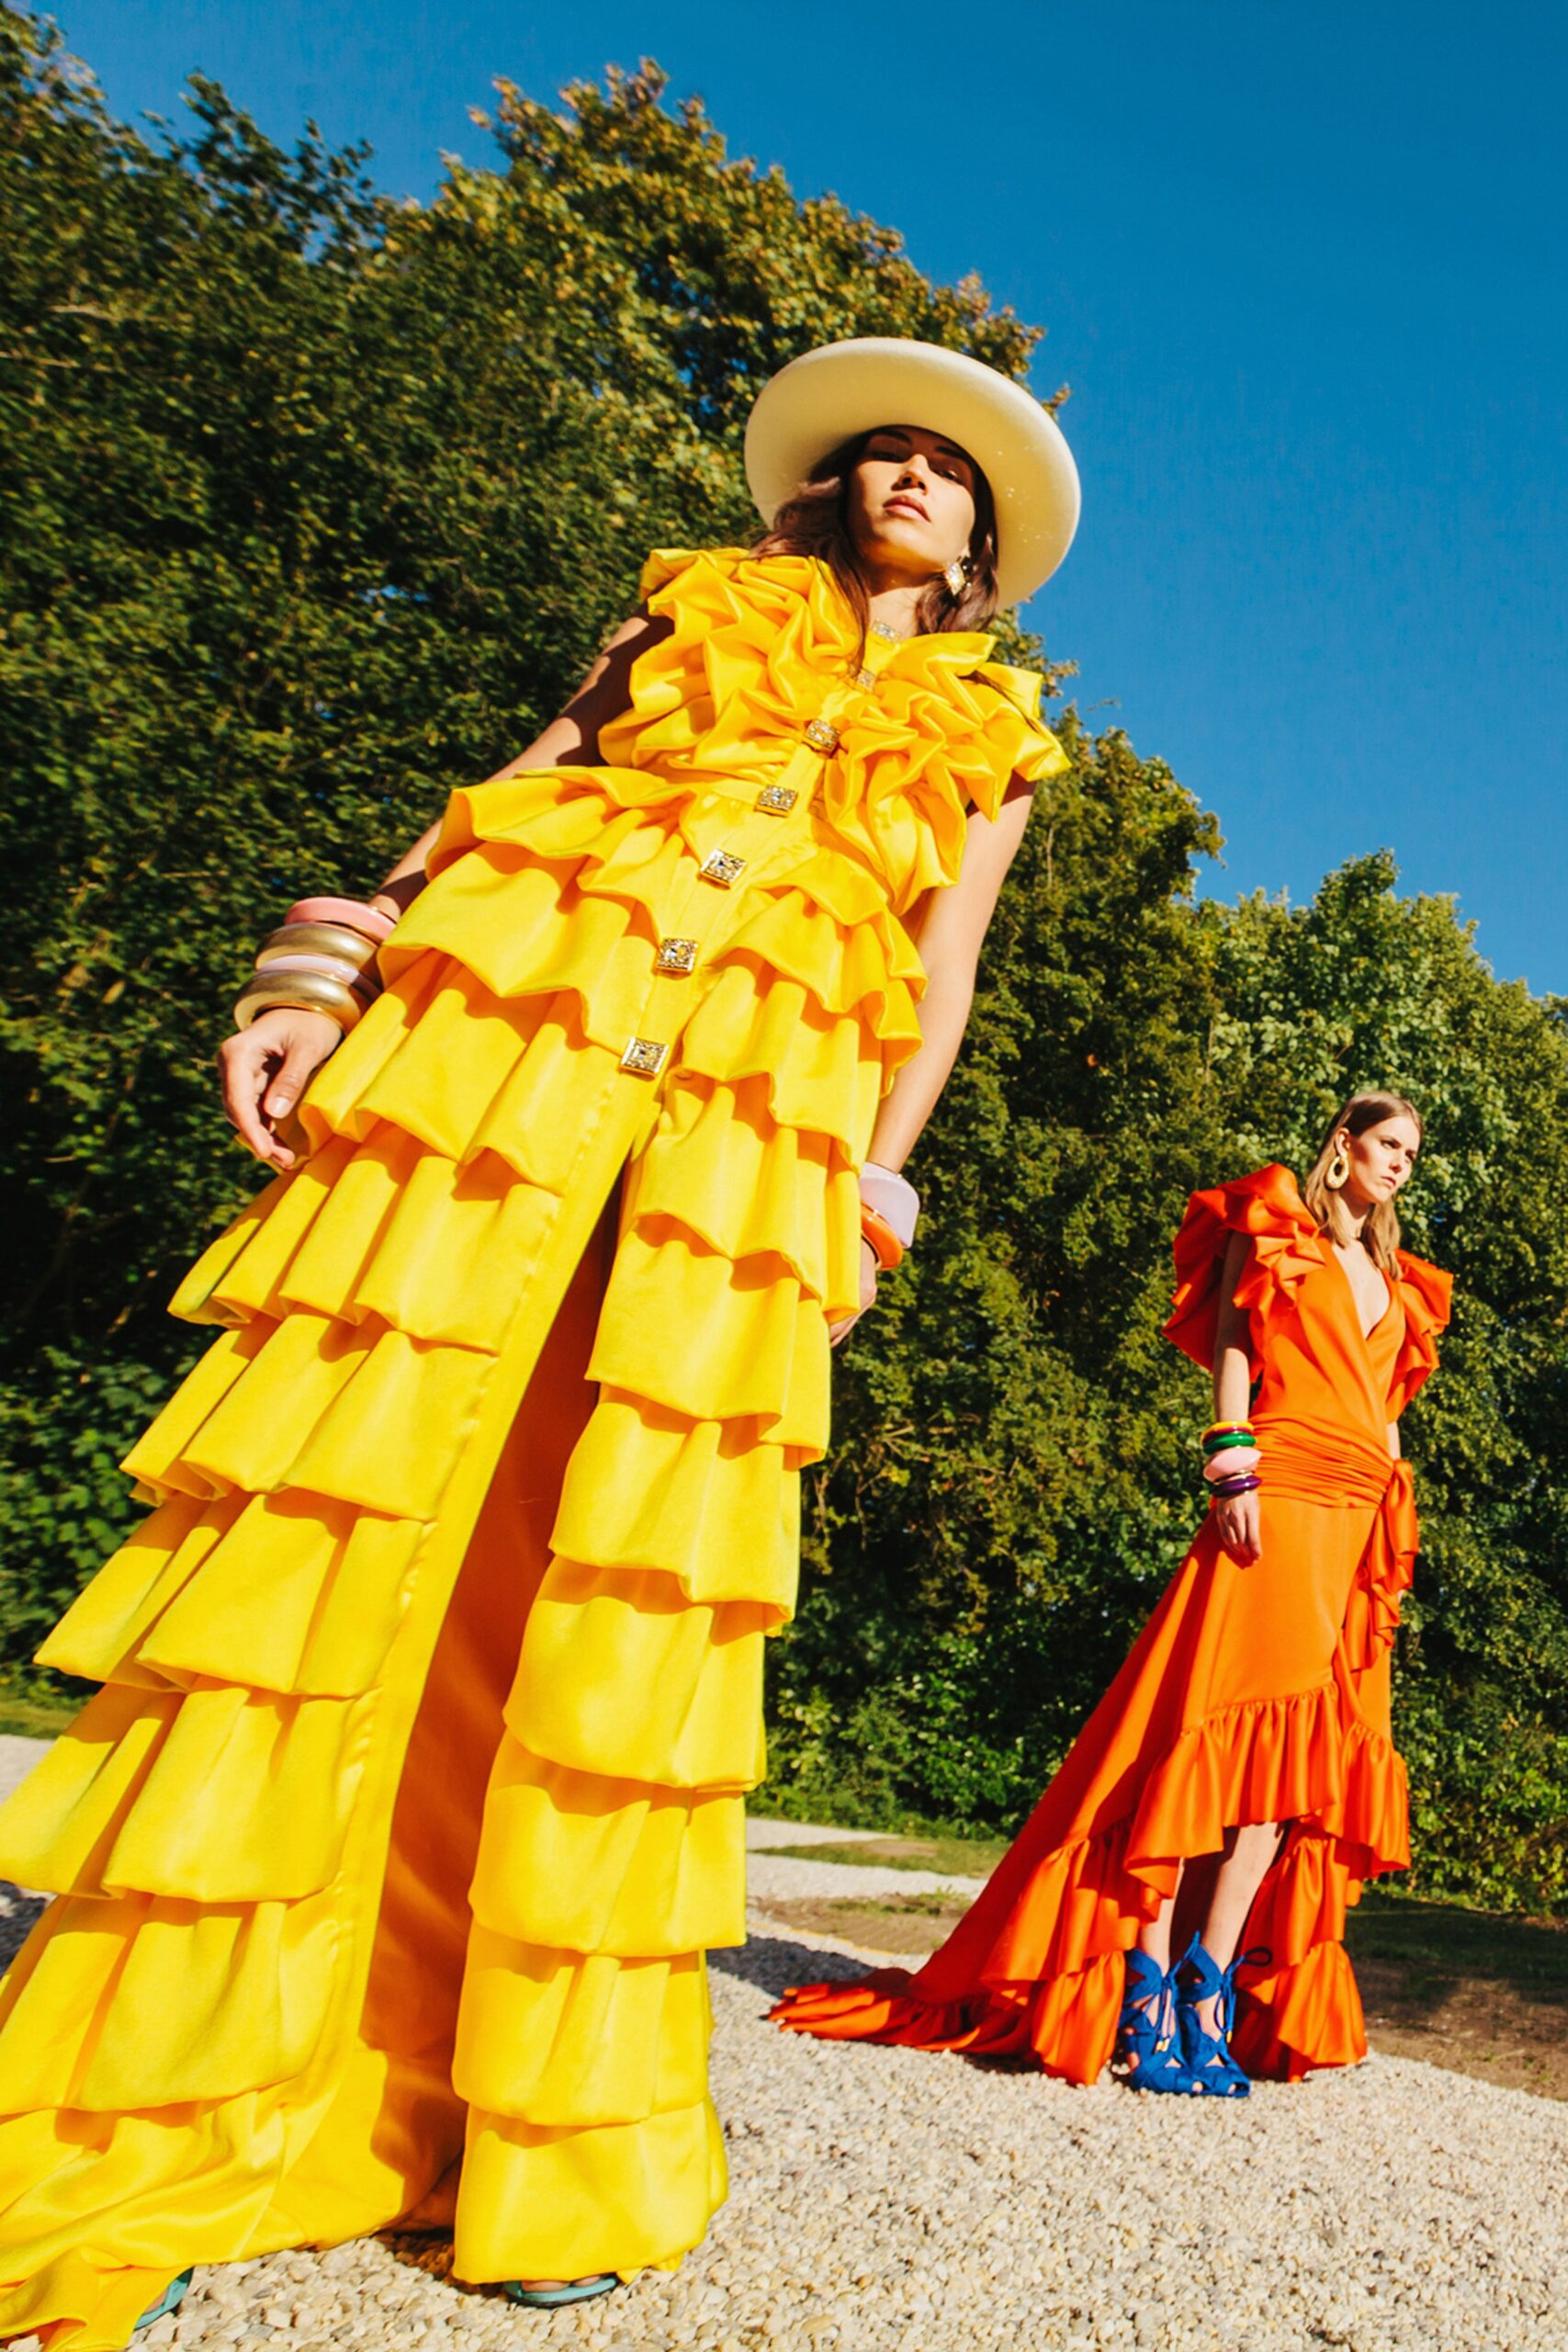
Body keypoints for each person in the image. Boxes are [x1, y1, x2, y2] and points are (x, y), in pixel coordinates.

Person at [0, 336, 1080, 2345]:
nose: (912, 472)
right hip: (510, 1048)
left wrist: (865, 1176)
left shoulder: (992, 740)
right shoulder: (675, 610)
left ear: (985, 536)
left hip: (752, 1128)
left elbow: (934, 991)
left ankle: (539, 2124)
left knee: (619, 1587)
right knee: (341, 1497)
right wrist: (318, 970)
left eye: (952, 465)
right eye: (884, 450)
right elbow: (514, 790)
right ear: (832, 487)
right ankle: (162, 2078)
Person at [773, 1094, 1450, 2096]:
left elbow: (1388, 1410)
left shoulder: (1398, 1278)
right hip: (1280, 1488)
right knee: (1201, 1737)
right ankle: (1138, 1982)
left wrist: (1394, 1535)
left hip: (1356, 1519)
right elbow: (1232, 1345)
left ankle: (1205, 1988)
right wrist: (1230, 1461)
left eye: (1411, 1154)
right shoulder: (1270, 1224)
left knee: (1294, 1772)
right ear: (1343, 1145)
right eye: (1387, 1145)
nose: (1400, 1164)